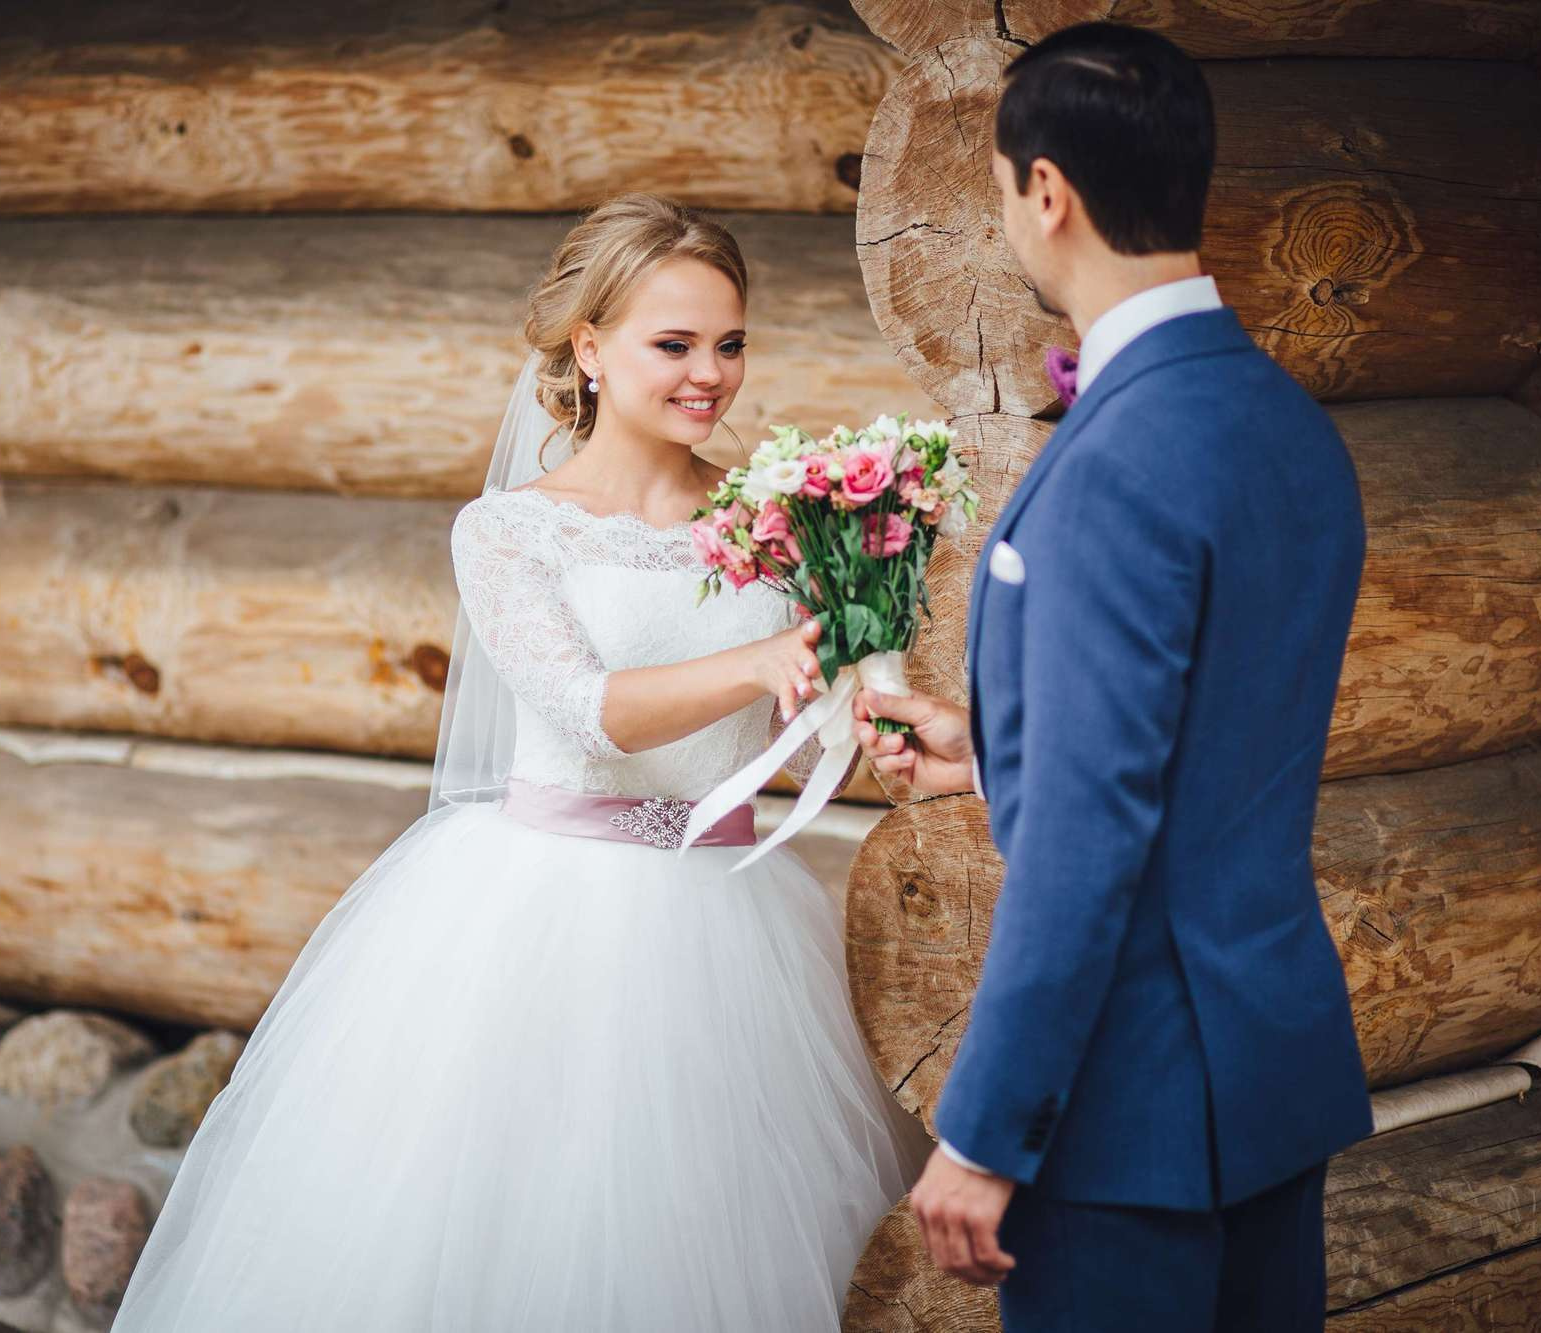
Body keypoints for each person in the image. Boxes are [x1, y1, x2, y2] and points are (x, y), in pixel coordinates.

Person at [110, 192, 927, 1333]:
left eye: (730, 343)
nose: (711, 375)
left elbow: (833, 709)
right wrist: (764, 659)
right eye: (674, 344)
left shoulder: (779, 525)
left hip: (735, 930)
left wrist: (871, 693)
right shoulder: (509, 532)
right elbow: (589, 713)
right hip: (541, 930)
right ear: (589, 348)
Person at [850, 23, 1373, 1333]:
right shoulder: (1286, 426)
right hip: (1264, 1077)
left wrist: (983, 1129)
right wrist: (998, 745)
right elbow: (1218, 726)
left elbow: (1089, 844)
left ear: (1046, 193)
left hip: (1127, 1107)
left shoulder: (1113, 468)